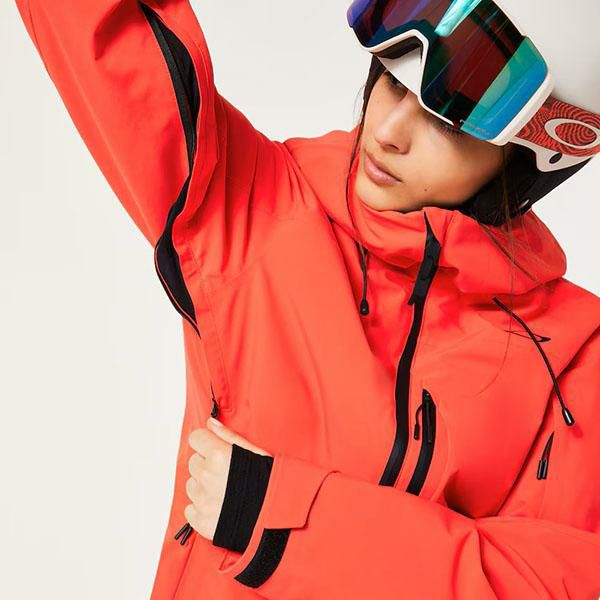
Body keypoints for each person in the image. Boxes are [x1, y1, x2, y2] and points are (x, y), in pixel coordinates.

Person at [14, 0, 600, 598]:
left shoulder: (576, 354)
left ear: (534, 156)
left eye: (447, 119)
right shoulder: (255, 210)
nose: (387, 132)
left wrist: (280, 518)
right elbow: (102, 32)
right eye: (392, 77)